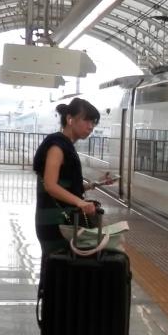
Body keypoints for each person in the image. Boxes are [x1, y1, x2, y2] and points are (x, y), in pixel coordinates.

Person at [32, 98, 106, 260]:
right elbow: (50, 185)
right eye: (86, 120)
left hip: (61, 218)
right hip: (55, 221)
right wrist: (80, 202)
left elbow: (65, 186)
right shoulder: (57, 147)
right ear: (70, 119)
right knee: (57, 266)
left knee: (61, 267)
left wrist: (94, 184)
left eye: (93, 122)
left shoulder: (65, 145)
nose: (91, 127)